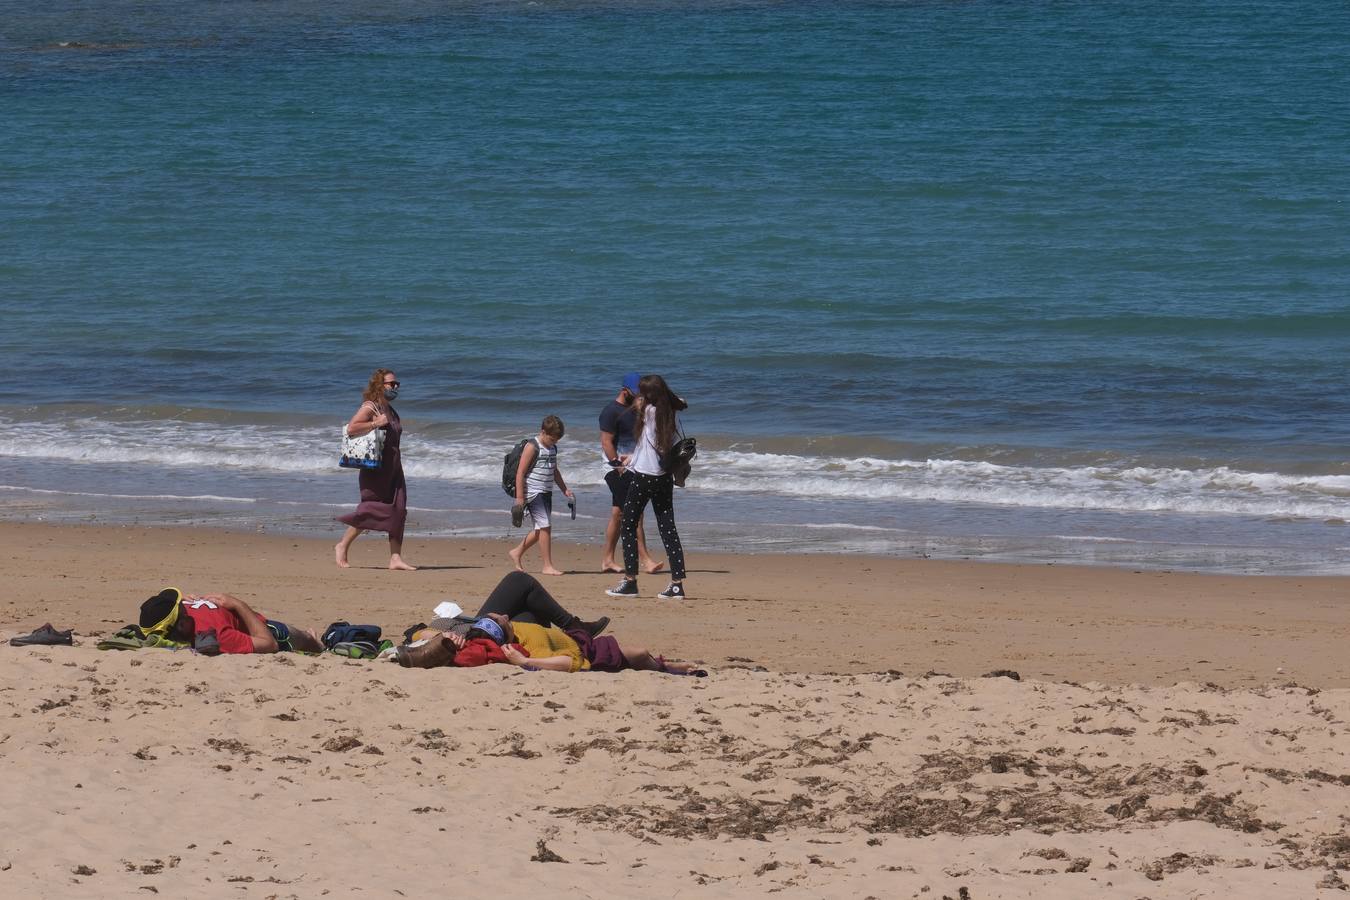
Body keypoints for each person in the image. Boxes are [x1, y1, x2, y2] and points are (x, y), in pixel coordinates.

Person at [396, 571, 608, 667]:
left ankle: (573, 627)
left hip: (481, 627)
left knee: (532, 608)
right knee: (519, 580)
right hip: (487, 631)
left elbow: (414, 632)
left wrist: (443, 635)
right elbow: (574, 662)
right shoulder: (466, 643)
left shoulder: (444, 634)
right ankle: (573, 626)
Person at [606, 374, 689, 600]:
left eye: (643, 392)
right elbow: (680, 402)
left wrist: (641, 404)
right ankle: (676, 585)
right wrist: (632, 458)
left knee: (628, 525)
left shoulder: (650, 412)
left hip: (644, 477)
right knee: (668, 528)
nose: (639, 396)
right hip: (663, 476)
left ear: (649, 395)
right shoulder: (669, 410)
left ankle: (631, 581)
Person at [336, 368, 415, 571]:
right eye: (391, 384)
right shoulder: (371, 406)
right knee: (371, 509)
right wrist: (374, 423)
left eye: (397, 385)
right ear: (380, 386)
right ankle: (342, 545)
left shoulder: (390, 409)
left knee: (398, 510)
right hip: (375, 469)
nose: (395, 388)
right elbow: (353, 427)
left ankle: (395, 558)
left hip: (394, 468)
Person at [599, 372, 664, 576]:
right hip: (615, 468)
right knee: (635, 513)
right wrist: (618, 467)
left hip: (635, 466)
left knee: (618, 514)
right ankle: (645, 560)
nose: (639, 397)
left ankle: (607, 560)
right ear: (624, 390)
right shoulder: (611, 411)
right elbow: (606, 442)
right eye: (636, 394)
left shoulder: (640, 409)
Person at [138, 588, 324, 655]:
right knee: (302, 638)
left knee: (306, 640)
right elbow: (270, 644)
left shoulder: (215, 634)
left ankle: (316, 642)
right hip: (260, 627)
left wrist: (237, 605)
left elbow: (271, 644)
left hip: (262, 626)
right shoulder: (188, 609)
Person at [508, 415, 574, 576]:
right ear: (543, 432)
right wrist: (520, 497)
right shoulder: (532, 446)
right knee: (545, 527)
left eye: (557, 440)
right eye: (552, 439)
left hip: (546, 492)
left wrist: (564, 488)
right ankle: (547, 565)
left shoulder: (552, 448)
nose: (554, 442)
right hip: (532, 492)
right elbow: (520, 473)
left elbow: (554, 470)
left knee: (540, 530)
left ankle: (516, 552)